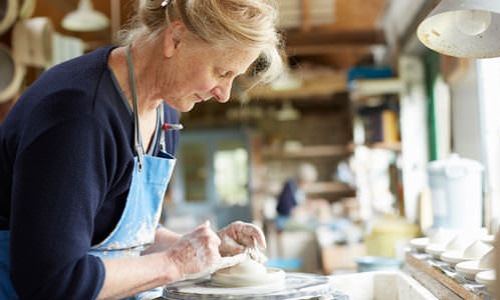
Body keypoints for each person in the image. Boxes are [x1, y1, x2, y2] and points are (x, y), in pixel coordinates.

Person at [0, 0, 284, 299]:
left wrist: (205, 248)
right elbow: (53, 282)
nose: (224, 94)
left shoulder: (165, 111)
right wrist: (174, 263)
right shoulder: (80, 117)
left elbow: (122, 235)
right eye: (221, 72)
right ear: (175, 38)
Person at [275, 163, 324, 231]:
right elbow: (287, 210)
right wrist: (306, 208)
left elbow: (298, 202)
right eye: (307, 182)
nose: (307, 184)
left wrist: (310, 203)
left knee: (317, 222)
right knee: (316, 226)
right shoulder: (289, 187)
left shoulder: (297, 187)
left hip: (291, 218)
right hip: (283, 221)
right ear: (302, 179)